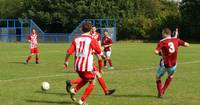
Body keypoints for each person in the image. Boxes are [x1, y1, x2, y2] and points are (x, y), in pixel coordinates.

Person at [64, 22, 112, 105]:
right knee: (93, 81)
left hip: (77, 66)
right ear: (90, 30)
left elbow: (69, 52)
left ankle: (73, 90)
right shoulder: (91, 39)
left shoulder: (76, 39)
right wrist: (104, 58)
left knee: (86, 79)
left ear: (82, 30)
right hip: (86, 66)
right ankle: (82, 101)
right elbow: (99, 52)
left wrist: (66, 61)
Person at [154, 28, 189, 98]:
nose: (162, 35)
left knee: (157, 77)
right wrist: (178, 42)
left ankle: (160, 92)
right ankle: (163, 90)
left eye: (162, 33)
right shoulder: (176, 40)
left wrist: (160, 53)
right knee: (170, 76)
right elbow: (187, 44)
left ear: (165, 33)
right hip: (173, 65)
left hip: (164, 64)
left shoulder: (162, 42)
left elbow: (156, 52)